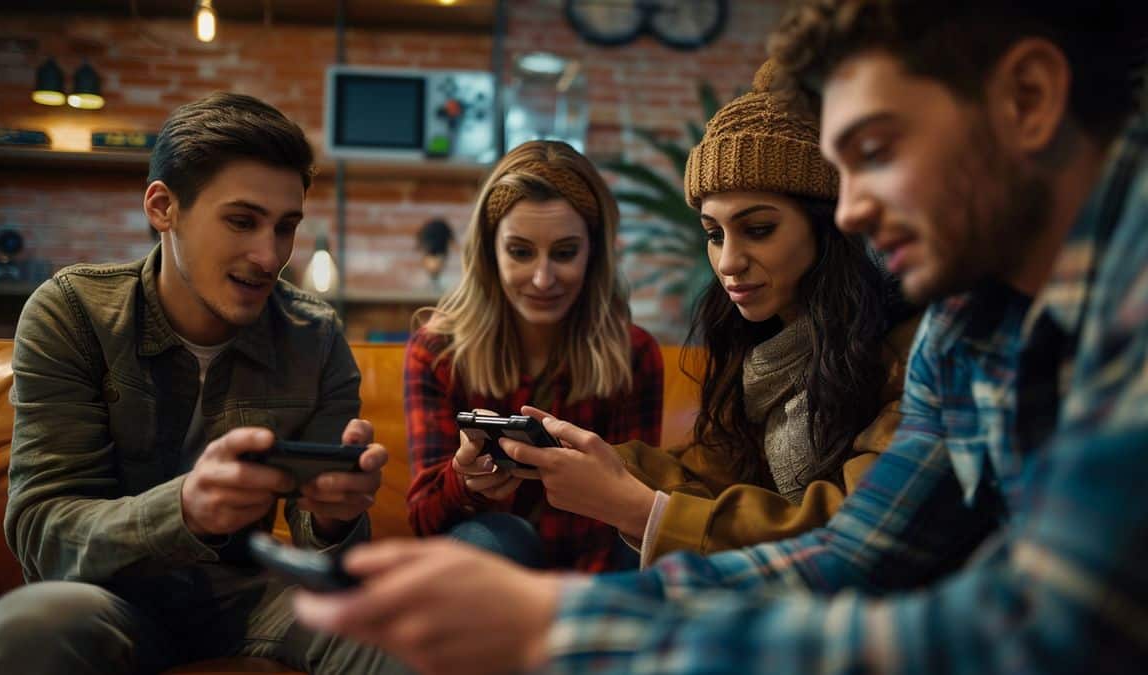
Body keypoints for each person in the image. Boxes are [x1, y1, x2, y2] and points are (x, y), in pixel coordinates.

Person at [290, 2, 1148, 673]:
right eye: (712, 230)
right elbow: (857, 556)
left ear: (1028, 100)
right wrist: (567, 588)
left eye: (877, 152)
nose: (851, 211)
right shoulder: (966, 325)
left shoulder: (1116, 290)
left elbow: (1039, 634)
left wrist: (570, 618)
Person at [0, 92, 406, 674]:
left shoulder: (315, 333)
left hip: (248, 598)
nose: (269, 254)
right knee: (30, 627)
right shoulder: (72, 313)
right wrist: (185, 509)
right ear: (163, 207)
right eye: (242, 221)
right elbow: (43, 535)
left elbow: (331, 560)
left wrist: (334, 517)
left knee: (402, 625)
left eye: (286, 227)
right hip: (106, 598)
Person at [502, 61, 920, 568]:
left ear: (832, 227)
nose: (727, 262)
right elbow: (709, 474)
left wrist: (638, 507)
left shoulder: (908, 353)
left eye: (759, 228)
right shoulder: (761, 350)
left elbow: (858, 533)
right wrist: (592, 461)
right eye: (714, 234)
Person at [404, 139, 664, 571]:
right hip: (491, 582)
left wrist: (568, 613)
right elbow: (423, 520)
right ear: (490, 250)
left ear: (593, 252)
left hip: (595, 578)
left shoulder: (632, 354)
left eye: (564, 253)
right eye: (520, 252)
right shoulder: (436, 352)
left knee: (640, 539)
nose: (543, 279)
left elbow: (632, 518)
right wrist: (464, 481)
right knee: (497, 536)